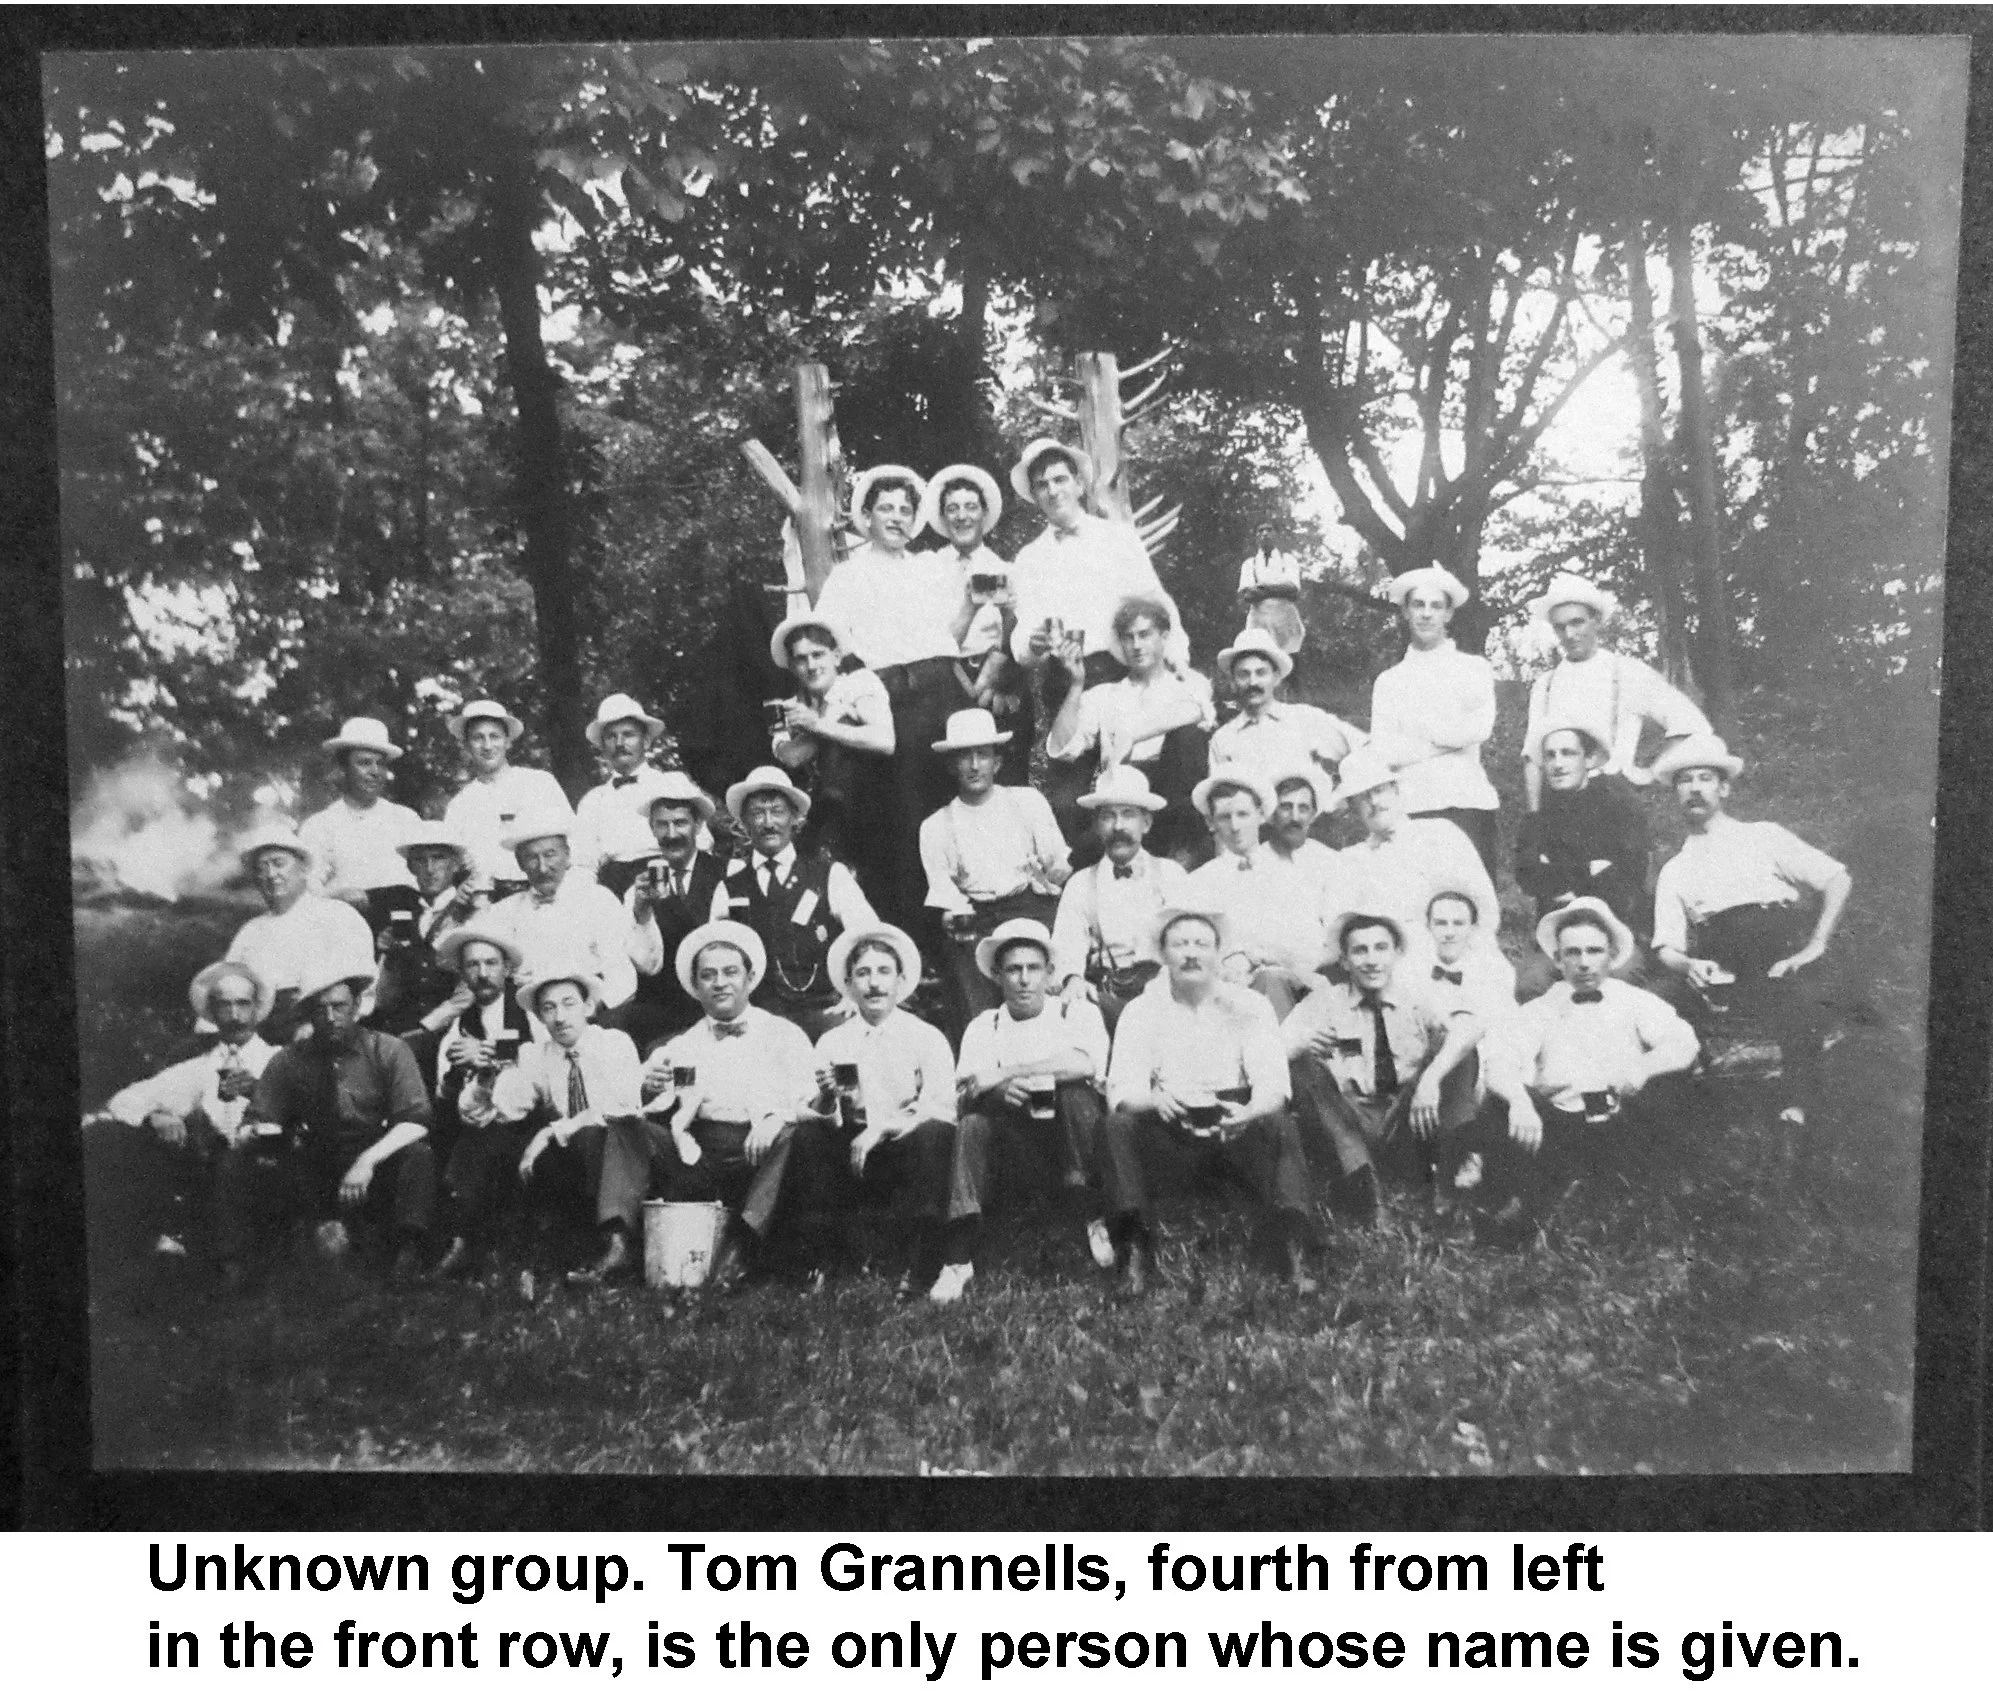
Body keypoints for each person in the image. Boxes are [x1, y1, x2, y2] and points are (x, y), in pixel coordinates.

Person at [1098, 909, 1319, 1295]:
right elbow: (1121, 1090)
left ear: (1218, 953)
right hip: (1170, 1132)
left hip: (1234, 1130)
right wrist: (1153, 1100)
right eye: (1179, 944)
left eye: (1201, 944)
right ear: (1163, 954)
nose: (1191, 953)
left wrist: (1249, 1112)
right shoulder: (1141, 1011)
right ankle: (1132, 1251)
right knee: (1117, 1126)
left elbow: (1274, 1085)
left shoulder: (1250, 1005)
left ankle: (1290, 1247)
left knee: (1280, 1122)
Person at [1650, 734, 1852, 1128]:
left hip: (1782, 952)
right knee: (1657, 999)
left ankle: (1797, 1106)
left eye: (1705, 778)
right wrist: (1690, 965)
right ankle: (1677, 1110)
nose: (1694, 788)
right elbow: (1666, 947)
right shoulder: (1675, 869)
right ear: (1675, 794)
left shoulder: (1763, 835)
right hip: (1727, 967)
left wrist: (1816, 944)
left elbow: (1836, 878)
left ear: (1724, 788)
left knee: (1804, 996)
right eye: (1685, 780)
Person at [1474, 899, 1700, 1241]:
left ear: (1612, 955)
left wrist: (1642, 1068)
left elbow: (1684, 1042)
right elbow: (1500, 1059)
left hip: (1622, 1120)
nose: (1584, 963)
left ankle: (1657, 1200)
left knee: (1673, 1087)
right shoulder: (1542, 1008)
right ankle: (1520, 1206)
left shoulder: (1634, 1000)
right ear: (1557, 959)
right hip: (1561, 1125)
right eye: (1573, 952)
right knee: (1499, 1105)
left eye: (1594, 951)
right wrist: (1519, 1101)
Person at [218, 961, 435, 1287]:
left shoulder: (388, 1049)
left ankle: (406, 1256)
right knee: (239, 1162)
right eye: (321, 1009)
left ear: (357, 1005)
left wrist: (366, 1161)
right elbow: (262, 1116)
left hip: (375, 1154)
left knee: (417, 1155)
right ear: (309, 1014)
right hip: (316, 1158)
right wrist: (250, 1132)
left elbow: (416, 1119)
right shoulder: (290, 1059)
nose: (331, 1017)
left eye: (339, 1006)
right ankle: (242, 1266)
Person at [931, 918, 1114, 1304]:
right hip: (1013, 1150)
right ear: (997, 976)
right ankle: (958, 1254)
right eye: (1014, 969)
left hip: (1070, 1141)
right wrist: (999, 1093)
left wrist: (1005, 1073)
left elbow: (1084, 1063)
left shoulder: (1074, 1013)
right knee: (973, 1123)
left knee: (1076, 1096)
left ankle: (1094, 1215)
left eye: (1034, 968)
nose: (1025, 980)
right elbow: (967, 1089)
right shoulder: (985, 1025)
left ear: (1050, 973)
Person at [634, 922, 821, 1290]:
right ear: (696, 986)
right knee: (633, 1130)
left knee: (797, 1136)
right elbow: (666, 1100)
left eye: (730, 972)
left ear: (750, 978)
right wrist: (647, 1086)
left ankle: (742, 1247)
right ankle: (619, 1243)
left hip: (761, 1150)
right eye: (708, 975)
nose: (720, 983)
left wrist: (777, 1117)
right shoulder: (684, 1045)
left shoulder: (783, 1035)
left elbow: (809, 1097)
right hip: (700, 1153)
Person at [813, 464, 979, 851]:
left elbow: (948, 638)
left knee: (952, 795)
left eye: (905, 510)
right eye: (886, 509)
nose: (896, 518)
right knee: (905, 807)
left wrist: (971, 607)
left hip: (943, 691)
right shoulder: (848, 575)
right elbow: (828, 642)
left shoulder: (929, 569)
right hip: (891, 697)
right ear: (867, 517)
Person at [802, 924, 958, 1293]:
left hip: (905, 1145)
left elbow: (941, 1104)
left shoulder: (926, 1036)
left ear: (901, 981)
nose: (874, 984)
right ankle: (821, 1260)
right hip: (852, 1148)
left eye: (884, 972)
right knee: (807, 1136)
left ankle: (921, 1263)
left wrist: (884, 1127)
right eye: (863, 973)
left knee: (935, 1133)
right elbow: (813, 1110)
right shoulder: (833, 1040)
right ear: (849, 983)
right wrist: (826, 1098)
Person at [472, 958, 646, 1286]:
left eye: (569, 1004)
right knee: (505, 1143)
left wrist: (549, 1132)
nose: (560, 1017)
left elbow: (621, 1108)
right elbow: (506, 1111)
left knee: (594, 1133)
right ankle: (527, 1258)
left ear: (588, 1007)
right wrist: (489, 1078)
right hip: (576, 1161)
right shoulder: (537, 1055)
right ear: (539, 1017)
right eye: (549, 1008)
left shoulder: (614, 1044)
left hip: (622, 1152)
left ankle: (616, 1244)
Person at [1281, 913, 1463, 1223]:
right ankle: (1366, 1189)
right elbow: (1269, 1055)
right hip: (1346, 1122)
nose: (1372, 960)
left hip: (1405, 1119)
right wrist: (1301, 1042)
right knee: (1303, 1065)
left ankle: (1449, 1183)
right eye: (1360, 951)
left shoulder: (1416, 997)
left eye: (1381, 948)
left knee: (1460, 1056)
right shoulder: (1323, 1002)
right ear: (1344, 961)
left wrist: (1430, 1081)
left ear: (1397, 953)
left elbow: (1470, 1028)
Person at [98, 961, 278, 1259]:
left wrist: (258, 1092)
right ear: (212, 1012)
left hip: (270, 1172)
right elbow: (124, 1101)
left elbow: (308, 1109)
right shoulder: (200, 1067)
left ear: (257, 1008)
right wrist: (155, 1116)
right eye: (225, 1005)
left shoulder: (280, 1060)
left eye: (243, 1004)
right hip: (211, 1179)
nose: (234, 1015)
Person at [1006, 438, 1188, 716]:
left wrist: (1177, 657)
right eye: (1042, 485)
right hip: (1063, 682)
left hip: (1122, 673)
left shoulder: (1117, 537)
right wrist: (1033, 643)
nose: (1053, 491)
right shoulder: (1028, 559)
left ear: (1079, 484)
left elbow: (1156, 603)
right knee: (1071, 746)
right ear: (1034, 496)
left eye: (1060, 480)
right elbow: (1023, 638)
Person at [918, 708, 1072, 1034]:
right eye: (965, 757)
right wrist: (951, 916)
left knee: (1043, 996)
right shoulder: (936, 826)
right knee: (976, 1007)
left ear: (997, 762)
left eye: (983, 755)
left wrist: (1052, 873)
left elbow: (1058, 866)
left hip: (1030, 907)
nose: (975, 766)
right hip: (976, 919)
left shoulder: (1027, 802)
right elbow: (944, 894)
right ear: (952, 765)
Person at [709, 765, 878, 1041]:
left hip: (824, 1011)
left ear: (794, 818)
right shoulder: (729, 888)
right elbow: (714, 959)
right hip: (758, 1021)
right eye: (757, 813)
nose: (768, 823)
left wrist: (853, 996)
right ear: (744, 822)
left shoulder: (829, 875)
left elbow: (869, 937)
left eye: (777, 811)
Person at [1522, 571, 1711, 811]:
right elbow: (1533, 758)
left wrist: (1650, 772)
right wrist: (1534, 816)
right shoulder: (1545, 684)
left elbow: (1690, 722)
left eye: (1577, 622)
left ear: (1596, 620)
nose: (1569, 634)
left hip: (1613, 802)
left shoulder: (1627, 672)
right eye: (1560, 627)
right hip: (1558, 805)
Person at [1044, 594, 1212, 859]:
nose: (1136, 645)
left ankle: (1179, 855)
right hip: (1119, 795)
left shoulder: (1188, 684)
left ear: (1164, 636)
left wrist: (1132, 735)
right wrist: (1076, 685)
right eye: (1128, 637)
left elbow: (1198, 712)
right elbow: (1063, 749)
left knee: (1187, 739)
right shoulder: (1105, 694)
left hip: (1170, 800)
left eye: (1144, 635)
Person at [1369, 565, 1500, 875]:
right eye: (1418, 605)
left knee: (1470, 898)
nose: (1426, 614)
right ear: (1405, 611)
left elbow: (1480, 728)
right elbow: (1385, 752)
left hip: (1468, 804)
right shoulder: (1390, 681)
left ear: (1448, 614)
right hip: (1413, 806)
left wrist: (1419, 737)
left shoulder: (1473, 669)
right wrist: (1449, 740)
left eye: (1436, 606)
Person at [766, 610, 897, 912]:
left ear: (836, 656)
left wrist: (818, 725)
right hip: (821, 819)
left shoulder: (858, 684)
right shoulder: (790, 707)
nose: (811, 666)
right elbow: (791, 756)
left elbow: (884, 740)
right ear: (792, 666)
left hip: (872, 809)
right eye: (801, 659)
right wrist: (819, 726)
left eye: (818, 654)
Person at [426, 926, 539, 1277]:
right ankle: (461, 1242)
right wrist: (461, 1070)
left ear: (507, 968)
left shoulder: (530, 1014)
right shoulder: (459, 1026)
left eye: (491, 963)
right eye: (473, 965)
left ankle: (465, 1242)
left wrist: (492, 1063)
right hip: (476, 1121)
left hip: (529, 1118)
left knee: (483, 1142)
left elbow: (541, 1075)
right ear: (462, 973)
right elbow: (444, 1093)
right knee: (461, 1136)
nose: (483, 973)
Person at [1329, 746, 1501, 978]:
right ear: (1352, 807)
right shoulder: (1351, 861)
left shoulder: (1440, 834)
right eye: (1363, 796)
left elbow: (1485, 909)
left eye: (1379, 789)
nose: (1374, 801)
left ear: (1396, 789)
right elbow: (1338, 930)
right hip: (1382, 976)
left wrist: (1462, 966)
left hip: (1452, 967)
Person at [1513, 717, 1653, 996]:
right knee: (1530, 984)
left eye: (1568, 753)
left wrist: (1558, 877)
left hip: (1613, 934)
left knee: (1619, 983)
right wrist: (1589, 869)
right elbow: (1528, 878)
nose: (1557, 764)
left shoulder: (1620, 810)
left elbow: (1626, 882)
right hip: (1558, 939)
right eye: (1550, 755)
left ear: (1589, 759)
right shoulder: (1537, 818)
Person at [1049, 766, 1191, 1035]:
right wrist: (1073, 978)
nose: (1118, 827)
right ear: (1096, 825)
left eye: (1128, 814)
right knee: (1076, 1012)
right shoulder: (1081, 883)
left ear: (1146, 823)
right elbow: (1066, 946)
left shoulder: (1171, 875)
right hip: (1108, 996)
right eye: (1108, 816)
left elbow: (1189, 941)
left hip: (1165, 993)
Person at [1183, 769, 1330, 1018]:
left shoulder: (1292, 873)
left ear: (1261, 815)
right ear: (1210, 823)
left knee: (1273, 981)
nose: (1235, 826)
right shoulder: (1199, 883)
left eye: (1243, 814)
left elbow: (1310, 945)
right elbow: (1193, 950)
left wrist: (1255, 957)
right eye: (1224, 817)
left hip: (1290, 988)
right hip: (1226, 994)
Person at [918, 463, 1030, 781]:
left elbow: (1023, 640)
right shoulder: (927, 568)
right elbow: (927, 641)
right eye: (952, 508)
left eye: (971, 507)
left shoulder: (1006, 568)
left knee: (1006, 771)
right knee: (951, 774)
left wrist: (1009, 618)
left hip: (999, 679)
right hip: (945, 681)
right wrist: (968, 608)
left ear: (984, 513)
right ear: (943, 517)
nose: (962, 516)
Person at [225, 820, 378, 1044]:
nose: (271, 874)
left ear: (303, 868)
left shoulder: (337, 916)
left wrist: (316, 1026)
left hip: (323, 1034)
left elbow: (360, 990)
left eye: (279, 864)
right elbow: (227, 989)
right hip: (259, 1038)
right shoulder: (250, 932)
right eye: (262, 868)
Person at [483, 811, 644, 1019]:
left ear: (567, 855)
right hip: (527, 1017)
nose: (543, 868)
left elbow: (621, 974)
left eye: (550, 854)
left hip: (591, 1014)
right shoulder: (503, 912)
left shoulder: (598, 900)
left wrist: (589, 1012)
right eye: (531, 858)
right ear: (520, 864)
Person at [623, 775, 728, 1054]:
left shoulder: (728, 874)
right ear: (652, 828)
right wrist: (642, 913)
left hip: (715, 1003)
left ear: (698, 825)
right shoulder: (638, 887)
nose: (671, 834)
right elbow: (646, 965)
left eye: (680, 823)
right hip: (661, 1012)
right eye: (662, 824)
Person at [298, 716, 421, 932]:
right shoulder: (321, 825)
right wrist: (337, 896)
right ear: (343, 768)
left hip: (403, 926)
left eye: (381, 764)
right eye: (364, 763)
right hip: (345, 927)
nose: (375, 771)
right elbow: (306, 889)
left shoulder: (406, 819)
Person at [440, 698, 572, 896]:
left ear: (508, 741)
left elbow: (571, 843)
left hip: (540, 892)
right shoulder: (459, 805)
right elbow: (455, 865)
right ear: (466, 745)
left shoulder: (540, 783)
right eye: (478, 738)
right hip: (485, 897)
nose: (487, 746)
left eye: (495, 736)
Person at [369, 818, 481, 1040]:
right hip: (403, 1031)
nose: (429, 869)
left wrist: (426, 1029)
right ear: (411, 867)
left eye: (438, 858)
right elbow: (383, 998)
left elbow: (470, 988)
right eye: (420, 861)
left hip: (454, 1031)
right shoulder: (407, 915)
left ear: (456, 864)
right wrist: (389, 958)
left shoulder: (470, 911)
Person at [1207, 628, 1364, 781]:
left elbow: (1364, 747)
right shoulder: (1223, 739)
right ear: (1233, 682)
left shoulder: (1305, 718)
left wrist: (1338, 792)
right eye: (1243, 675)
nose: (1253, 682)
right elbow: (1220, 794)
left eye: (1261, 673)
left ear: (1276, 677)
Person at [571, 693, 676, 896]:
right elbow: (582, 863)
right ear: (603, 747)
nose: (620, 743)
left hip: (664, 881)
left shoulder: (670, 785)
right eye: (611, 737)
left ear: (646, 741)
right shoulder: (593, 801)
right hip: (612, 891)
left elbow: (700, 845)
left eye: (628, 734)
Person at [1237, 520, 1305, 654]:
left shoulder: (1288, 560)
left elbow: (1293, 590)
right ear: (1256, 537)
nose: (1265, 534)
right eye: (1260, 531)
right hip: (1259, 623)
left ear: (1277, 535)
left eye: (1269, 530)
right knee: (1259, 658)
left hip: (1285, 622)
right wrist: (1279, 588)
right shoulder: (1250, 564)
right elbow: (1248, 595)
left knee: (1288, 659)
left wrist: (1262, 587)